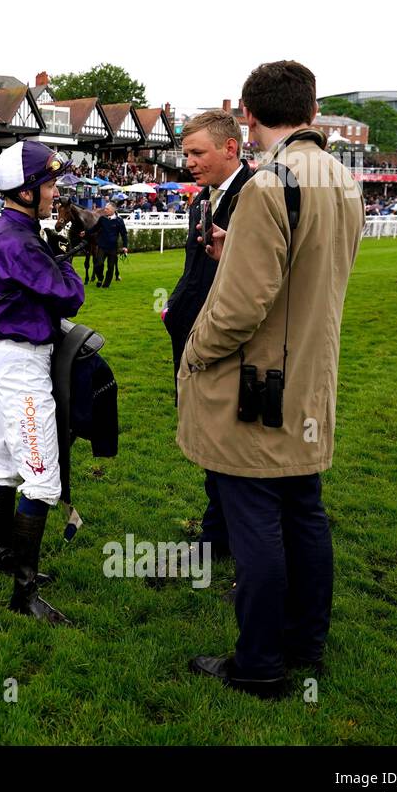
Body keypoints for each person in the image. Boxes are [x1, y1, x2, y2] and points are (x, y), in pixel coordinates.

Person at [179, 61, 365, 697]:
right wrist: (241, 250)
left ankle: (259, 663)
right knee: (304, 512)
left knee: (255, 515)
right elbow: (311, 272)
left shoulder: (269, 182)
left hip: (259, 382)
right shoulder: (341, 177)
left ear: (249, 116)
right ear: (310, 110)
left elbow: (241, 308)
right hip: (313, 371)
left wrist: (197, 352)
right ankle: (305, 641)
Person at [0, 141, 83, 624]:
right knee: (42, 480)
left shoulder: (9, 233)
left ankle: (5, 557)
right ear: (26, 190)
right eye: (50, 185)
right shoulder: (19, 242)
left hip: (3, 359)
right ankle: (23, 593)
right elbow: (70, 297)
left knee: (2, 462)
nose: (56, 193)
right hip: (22, 365)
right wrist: (64, 259)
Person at [162, 109, 254, 564]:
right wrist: (174, 309)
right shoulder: (202, 200)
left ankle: (225, 535)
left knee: (228, 440)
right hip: (190, 332)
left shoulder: (255, 196)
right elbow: (194, 270)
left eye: (198, 152)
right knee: (206, 436)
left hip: (227, 340)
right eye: (186, 153)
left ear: (230, 148)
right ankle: (220, 530)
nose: (190, 161)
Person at [93, 203, 127, 287]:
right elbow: (95, 228)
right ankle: (100, 278)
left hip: (113, 248)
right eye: (105, 209)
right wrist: (85, 232)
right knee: (98, 264)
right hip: (102, 246)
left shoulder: (119, 221)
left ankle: (106, 284)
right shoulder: (102, 219)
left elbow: (124, 234)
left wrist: (125, 246)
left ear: (113, 210)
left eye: (107, 209)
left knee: (111, 267)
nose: (105, 210)